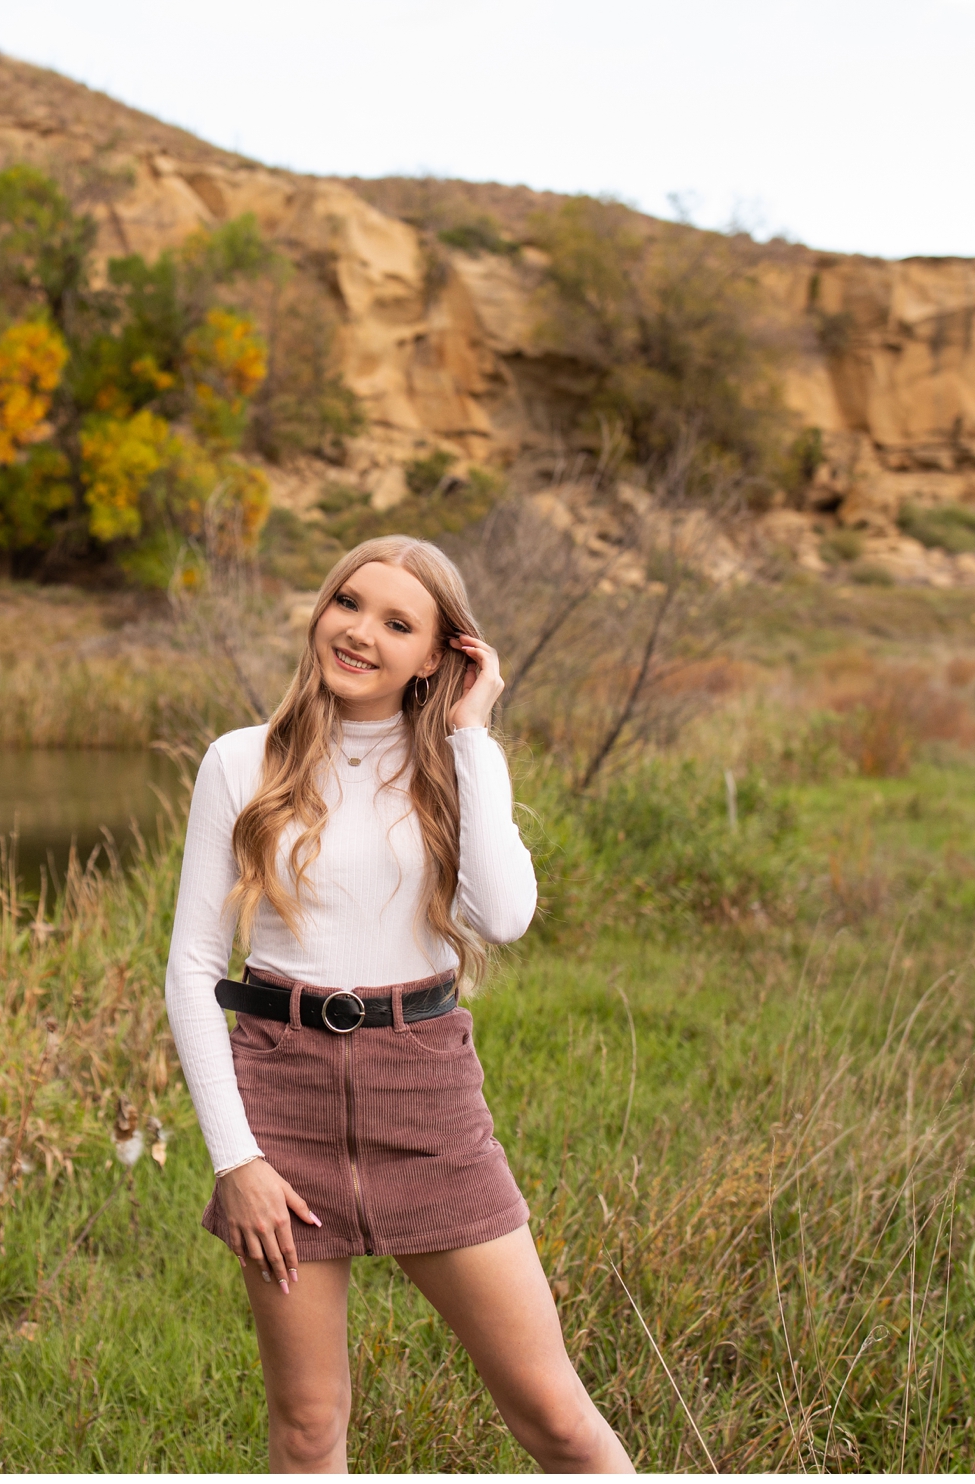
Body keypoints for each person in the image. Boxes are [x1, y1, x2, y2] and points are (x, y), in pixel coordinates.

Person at [164, 535, 633, 1473]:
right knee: (306, 1427)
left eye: (397, 622)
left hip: (425, 1096)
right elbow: (192, 966)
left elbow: (502, 916)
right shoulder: (238, 761)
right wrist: (237, 1160)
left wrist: (473, 734)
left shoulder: (455, 767)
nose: (360, 632)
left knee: (553, 1414)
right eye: (348, 602)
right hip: (282, 1098)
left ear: (439, 654)